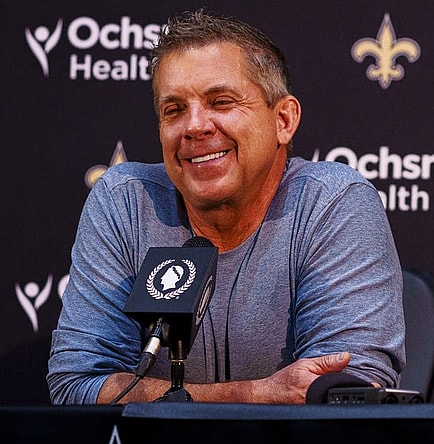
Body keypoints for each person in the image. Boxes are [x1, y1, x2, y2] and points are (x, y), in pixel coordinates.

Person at [47, 10, 405, 404]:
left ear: (283, 120)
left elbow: (342, 394)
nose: (194, 126)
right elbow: (78, 385)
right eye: (174, 110)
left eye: (220, 102)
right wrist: (256, 394)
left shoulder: (332, 202)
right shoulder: (125, 202)